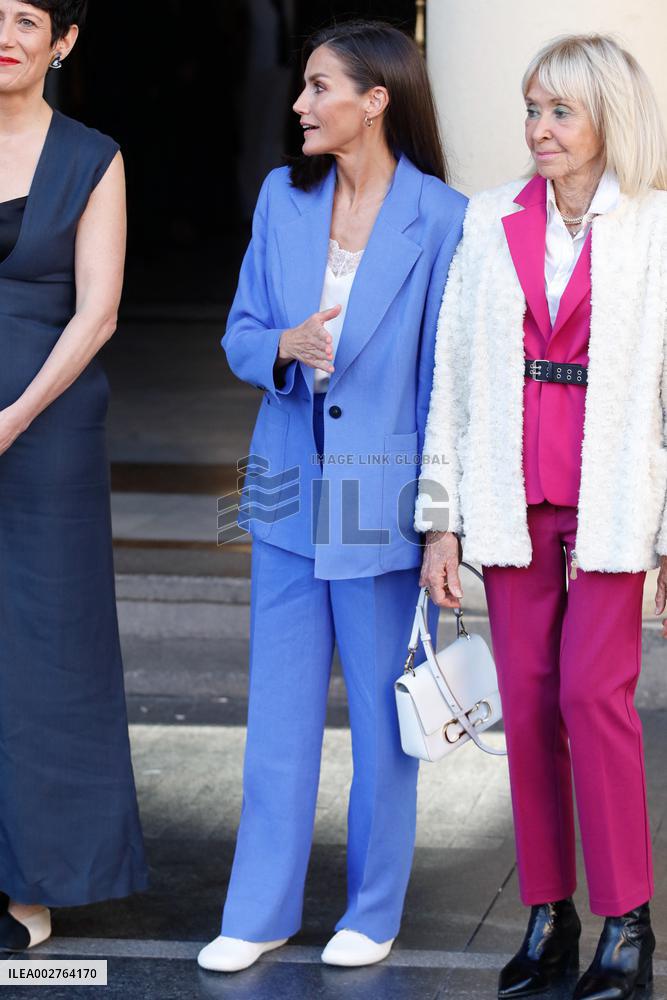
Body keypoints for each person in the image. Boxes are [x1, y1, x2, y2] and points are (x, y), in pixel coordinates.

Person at [198, 19, 467, 973]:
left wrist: (442, 522)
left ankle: (373, 909)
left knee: (384, 721)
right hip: (280, 482)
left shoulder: (442, 217)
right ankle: (258, 910)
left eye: (319, 88)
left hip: (382, 493)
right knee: (275, 709)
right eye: (305, 88)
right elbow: (238, 332)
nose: (301, 105)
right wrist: (282, 346)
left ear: (375, 100)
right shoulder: (282, 197)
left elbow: (447, 386)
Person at [417, 32, 667, 1000]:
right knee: (522, 705)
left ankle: (626, 920)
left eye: (559, 110)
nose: (539, 129)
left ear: (609, 117)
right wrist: (440, 519)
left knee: (589, 700)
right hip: (507, 497)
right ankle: (546, 912)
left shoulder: (652, 229)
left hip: (611, 498)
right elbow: (452, 379)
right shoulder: (490, 221)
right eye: (530, 109)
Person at [0, 0, 148, 952]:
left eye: (24, 18)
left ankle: (32, 881)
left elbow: (96, 315)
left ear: (62, 41)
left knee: (44, 646)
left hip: (45, 426)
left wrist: (10, 419)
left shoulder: (94, 155)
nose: (4, 35)